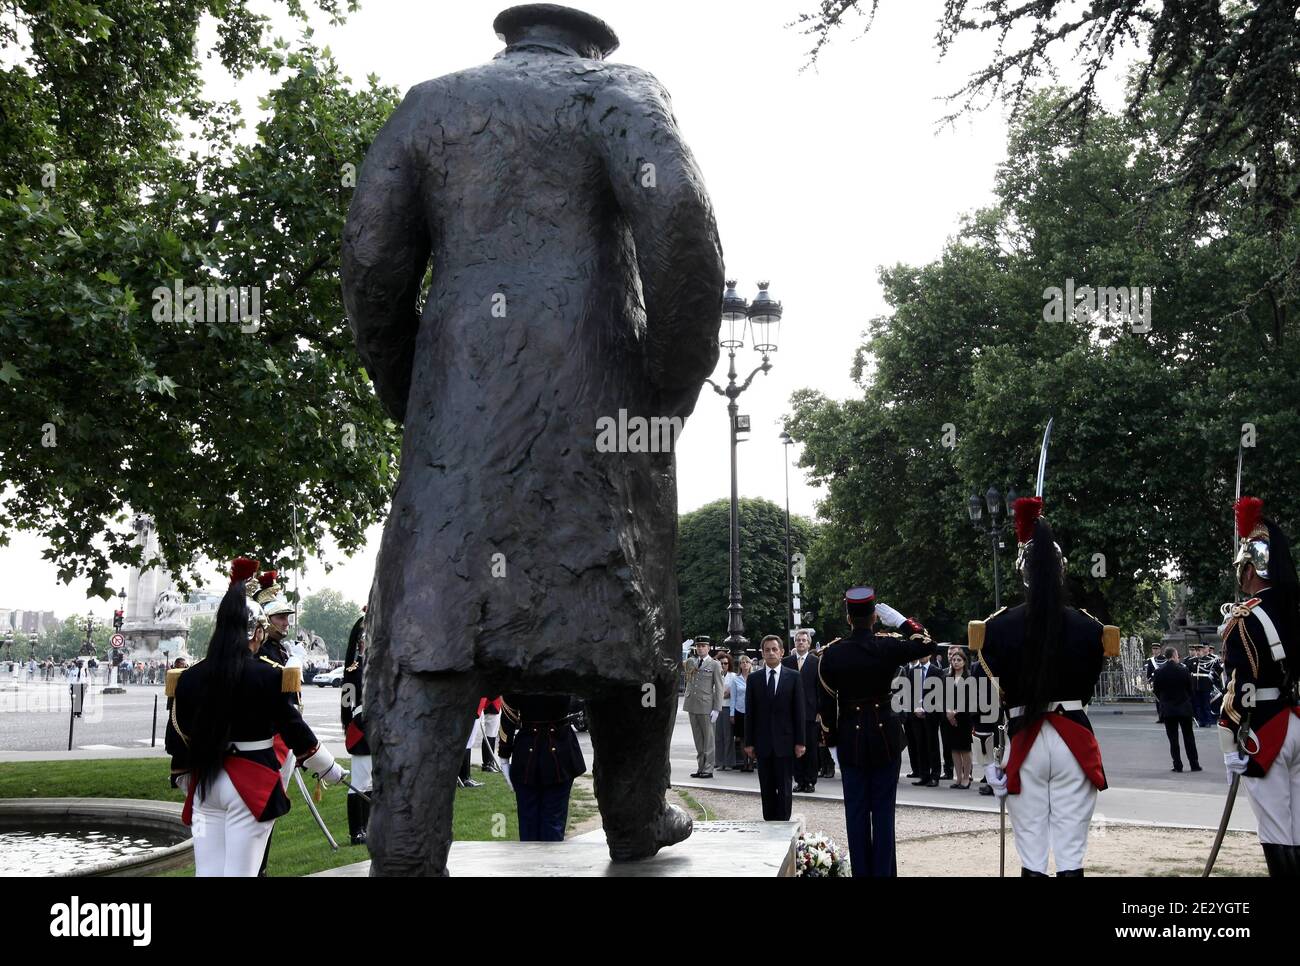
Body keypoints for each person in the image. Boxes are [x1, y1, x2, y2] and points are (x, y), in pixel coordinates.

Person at [165, 557, 344, 876]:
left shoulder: (188, 677)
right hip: (249, 781)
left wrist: (187, 779)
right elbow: (294, 730)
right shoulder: (268, 675)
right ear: (256, 633)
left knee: (208, 873)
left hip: (204, 782)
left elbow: (176, 739)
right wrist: (329, 769)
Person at [971, 497, 1119, 876]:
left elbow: (986, 698)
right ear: (1061, 572)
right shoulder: (1089, 626)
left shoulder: (997, 627)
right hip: (1073, 737)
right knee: (1071, 853)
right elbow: (1086, 689)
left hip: (1025, 739)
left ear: (1023, 574)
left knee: (1032, 853)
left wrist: (985, 758)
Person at [818, 586, 935, 876]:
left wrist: (832, 743)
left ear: (848, 617)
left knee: (856, 815)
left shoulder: (833, 654)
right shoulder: (888, 645)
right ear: (874, 617)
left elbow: (825, 704)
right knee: (883, 814)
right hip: (885, 738)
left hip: (850, 739)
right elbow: (927, 644)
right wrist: (902, 622)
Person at [1219, 496, 1300, 875]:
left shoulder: (1245, 617)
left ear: (1251, 568)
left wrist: (1229, 738)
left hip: (1267, 728)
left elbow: (1239, 689)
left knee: (1276, 829)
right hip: (1298, 718)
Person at [504, 692, 587, 841]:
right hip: (559, 748)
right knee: (550, 821)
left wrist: (504, 755)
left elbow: (509, 713)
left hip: (530, 750)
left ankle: (539, 863)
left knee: (532, 822)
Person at [743, 635, 806, 821]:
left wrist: (800, 742)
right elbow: (750, 713)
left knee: (785, 787)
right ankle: (769, 823)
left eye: (774, 649)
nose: (771, 653)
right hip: (762, 742)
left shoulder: (793, 677)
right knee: (767, 787)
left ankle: (784, 824)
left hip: (785, 742)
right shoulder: (754, 679)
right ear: (762, 653)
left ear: (782, 652)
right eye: (767, 650)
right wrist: (749, 742)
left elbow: (799, 712)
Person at [341, 614, 371, 845]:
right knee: (359, 782)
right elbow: (347, 702)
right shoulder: (354, 669)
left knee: (371, 781)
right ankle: (356, 831)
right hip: (362, 725)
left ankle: (368, 827)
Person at [783, 629, 822, 793]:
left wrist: (820, 711)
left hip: (810, 712)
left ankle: (810, 781)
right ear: (794, 643)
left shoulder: (816, 662)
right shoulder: (786, 661)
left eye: (803, 640)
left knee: (811, 748)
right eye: (798, 640)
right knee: (794, 748)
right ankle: (799, 780)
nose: (800, 642)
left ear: (809, 643)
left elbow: (820, 688)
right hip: (790, 713)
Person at [1152, 647, 1200, 773]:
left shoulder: (1159, 672)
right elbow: (1191, 689)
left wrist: (1164, 701)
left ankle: (1177, 765)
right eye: (1177, 656)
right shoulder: (1184, 670)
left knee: (1173, 740)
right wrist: (1186, 699)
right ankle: (1194, 764)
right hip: (1184, 708)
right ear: (1174, 656)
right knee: (1189, 737)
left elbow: (1156, 690)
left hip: (1168, 709)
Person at [682, 636, 723, 778]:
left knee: (709, 740)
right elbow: (680, 665)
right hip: (692, 704)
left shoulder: (714, 664)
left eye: (703, 646)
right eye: (698, 646)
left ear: (709, 648)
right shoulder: (691, 662)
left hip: (706, 706)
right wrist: (683, 651)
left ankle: (708, 768)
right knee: (698, 739)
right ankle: (700, 767)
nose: (700, 648)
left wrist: (717, 708)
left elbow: (719, 687)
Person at [943, 646, 975, 788]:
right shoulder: (947, 678)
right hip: (950, 718)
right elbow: (942, 698)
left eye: (958, 660)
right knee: (954, 749)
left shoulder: (969, 678)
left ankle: (967, 778)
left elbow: (970, 699)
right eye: (954, 660)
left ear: (964, 662)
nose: (955, 662)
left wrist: (955, 712)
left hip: (964, 718)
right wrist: (949, 713)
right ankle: (958, 777)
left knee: (965, 749)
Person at [715, 652, 737, 770]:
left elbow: (731, 693)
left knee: (728, 736)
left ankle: (728, 762)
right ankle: (719, 761)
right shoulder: (714, 675)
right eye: (721, 663)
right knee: (718, 737)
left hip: (728, 708)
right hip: (716, 708)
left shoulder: (733, 676)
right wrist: (722, 694)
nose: (723, 665)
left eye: (725, 663)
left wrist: (723, 694)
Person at [1189, 643, 1217, 727]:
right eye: (1197, 650)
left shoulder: (1210, 660)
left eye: (1199, 650)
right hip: (1196, 685)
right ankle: (1201, 721)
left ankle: (1208, 721)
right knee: (1198, 704)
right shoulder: (1192, 661)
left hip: (1205, 685)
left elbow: (1218, 669)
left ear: (1203, 651)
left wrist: (1212, 677)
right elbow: (1188, 672)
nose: (1198, 652)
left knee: (1206, 704)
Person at [732, 654, 752, 773]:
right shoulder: (736, 679)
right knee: (742, 738)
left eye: (747, 662)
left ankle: (751, 762)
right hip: (739, 710)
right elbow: (733, 697)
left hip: (751, 711)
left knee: (751, 737)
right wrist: (732, 713)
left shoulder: (755, 677)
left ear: (750, 664)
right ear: (740, 665)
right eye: (742, 662)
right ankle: (744, 763)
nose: (745, 664)